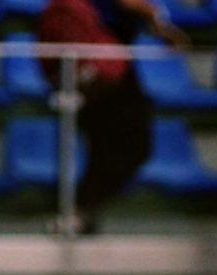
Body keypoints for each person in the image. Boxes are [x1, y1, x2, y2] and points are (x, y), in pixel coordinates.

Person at [37, 0, 187, 235]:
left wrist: (158, 25)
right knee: (124, 146)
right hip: (99, 69)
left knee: (109, 150)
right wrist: (155, 14)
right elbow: (130, 5)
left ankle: (79, 212)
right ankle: (77, 211)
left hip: (111, 65)